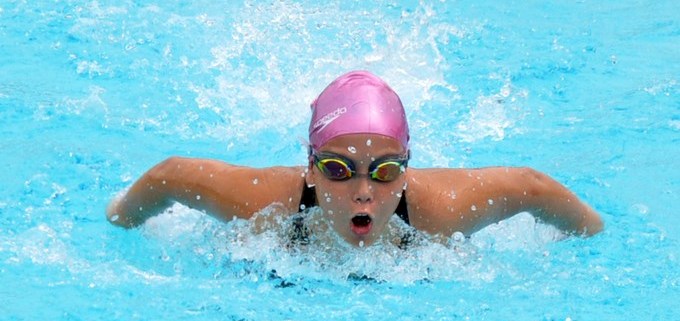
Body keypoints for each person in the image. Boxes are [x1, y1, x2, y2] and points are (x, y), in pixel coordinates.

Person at [106, 70, 603, 247]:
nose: (364, 191)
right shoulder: (265, 205)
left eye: (386, 171)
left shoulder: (441, 210)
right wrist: (119, 218)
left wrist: (591, 237)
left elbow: (532, 186)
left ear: (408, 166)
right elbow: (170, 176)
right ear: (310, 166)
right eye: (339, 170)